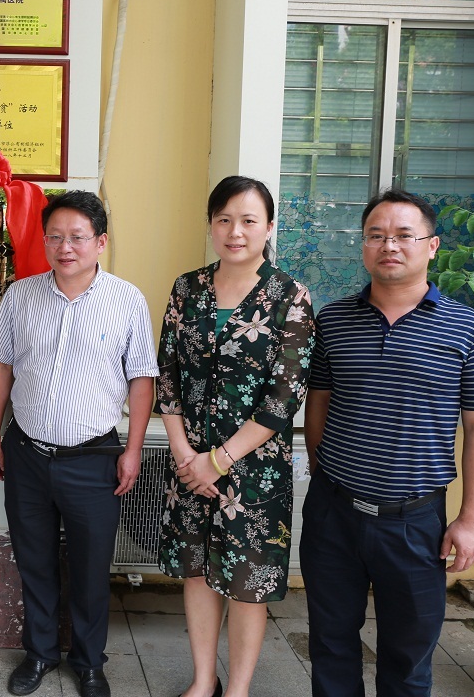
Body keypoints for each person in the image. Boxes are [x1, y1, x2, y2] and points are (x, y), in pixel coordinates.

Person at [302, 188, 474, 697]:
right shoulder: (334, 321)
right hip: (333, 515)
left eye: (403, 235)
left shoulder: (469, 330)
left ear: (431, 246)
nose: (389, 245)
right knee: (330, 645)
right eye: (376, 235)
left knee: (408, 659)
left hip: (415, 523)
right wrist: (323, 474)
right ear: (363, 246)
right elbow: (318, 401)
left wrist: (472, 520)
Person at [0, 190, 157, 697]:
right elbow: (0, 370)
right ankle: (39, 654)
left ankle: (88, 662)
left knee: (90, 569)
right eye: (55, 237)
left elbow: (141, 380)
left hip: (95, 460)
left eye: (77, 237)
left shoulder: (126, 300)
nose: (65, 247)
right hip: (27, 454)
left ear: (100, 242)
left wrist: (133, 449)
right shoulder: (21, 295)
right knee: (33, 561)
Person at [155, 176, 315, 697]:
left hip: (254, 471)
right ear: (211, 225)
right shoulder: (187, 288)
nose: (235, 231)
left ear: (268, 227)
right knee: (197, 572)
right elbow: (167, 375)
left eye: (248, 220)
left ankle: (239, 688)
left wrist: (218, 460)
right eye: (224, 219)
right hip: (190, 464)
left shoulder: (289, 296)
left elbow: (284, 396)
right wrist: (185, 455)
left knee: (248, 582)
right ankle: (204, 681)